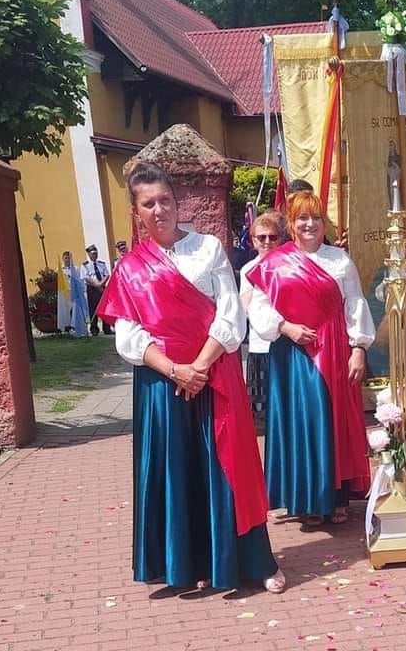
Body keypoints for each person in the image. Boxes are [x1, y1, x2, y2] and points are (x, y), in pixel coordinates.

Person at [96, 161, 284, 595]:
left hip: (215, 373)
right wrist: (175, 370)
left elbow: (230, 313)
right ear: (136, 212)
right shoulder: (130, 268)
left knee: (230, 467)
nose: (158, 210)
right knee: (177, 471)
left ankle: (253, 560)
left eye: (165, 200)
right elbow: (128, 335)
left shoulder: (208, 249)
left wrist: (199, 366)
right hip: (162, 385)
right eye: (148, 204)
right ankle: (191, 563)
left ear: (177, 202)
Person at [246, 190, 374, 529]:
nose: (309, 224)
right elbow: (259, 306)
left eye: (316, 217)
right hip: (293, 352)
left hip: (334, 348)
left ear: (324, 223)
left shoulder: (340, 261)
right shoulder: (273, 263)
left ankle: (337, 497)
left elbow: (355, 304)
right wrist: (285, 327)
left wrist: (359, 348)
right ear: (291, 223)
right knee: (303, 421)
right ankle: (307, 499)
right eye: (302, 218)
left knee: (333, 420)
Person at [238, 209, 285, 432]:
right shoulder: (248, 269)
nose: (267, 242)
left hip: (288, 340)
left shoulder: (289, 264)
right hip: (261, 343)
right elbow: (246, 306)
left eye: (272, 237)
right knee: (264, 411)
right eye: (262, 237)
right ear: (253, 240)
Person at [81, 245, 112, 335]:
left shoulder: (102, 264)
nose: (95, 255)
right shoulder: (85, 265)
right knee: (93, 309)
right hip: (92, 289)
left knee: (105, 308)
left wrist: (101, 284)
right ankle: (94, 329)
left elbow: (107, 275)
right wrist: (97, 285)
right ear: (89, 254)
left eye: (96, 253)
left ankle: (107, 328)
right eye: (93, 254)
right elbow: (86, 277)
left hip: (102, 288)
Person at [57, 251, 88, 336]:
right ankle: (67, 328)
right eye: (66, 258)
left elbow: (80, 280)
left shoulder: (76, 268)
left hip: (74, 292)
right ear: (63, 259)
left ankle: (76, 327)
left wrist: (82, 290)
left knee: (75, 310)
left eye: (69, 258)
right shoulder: (60, 270)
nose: (67, 260)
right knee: (66, 310)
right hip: (65, 293)